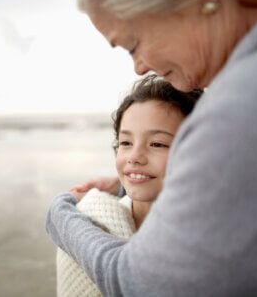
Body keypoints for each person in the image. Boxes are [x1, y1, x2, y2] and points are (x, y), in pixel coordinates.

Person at [46, 0, 257, 296]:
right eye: (125, 142)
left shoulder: (245, 106)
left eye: (133, 44)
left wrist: (60, 214)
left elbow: (138, 283)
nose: (138, 66)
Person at [56, 75, 203, 296]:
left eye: (157, 144)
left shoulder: (209, 239)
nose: (134, 157)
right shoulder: (93, 216)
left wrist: (59, 208)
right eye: (126, 142)